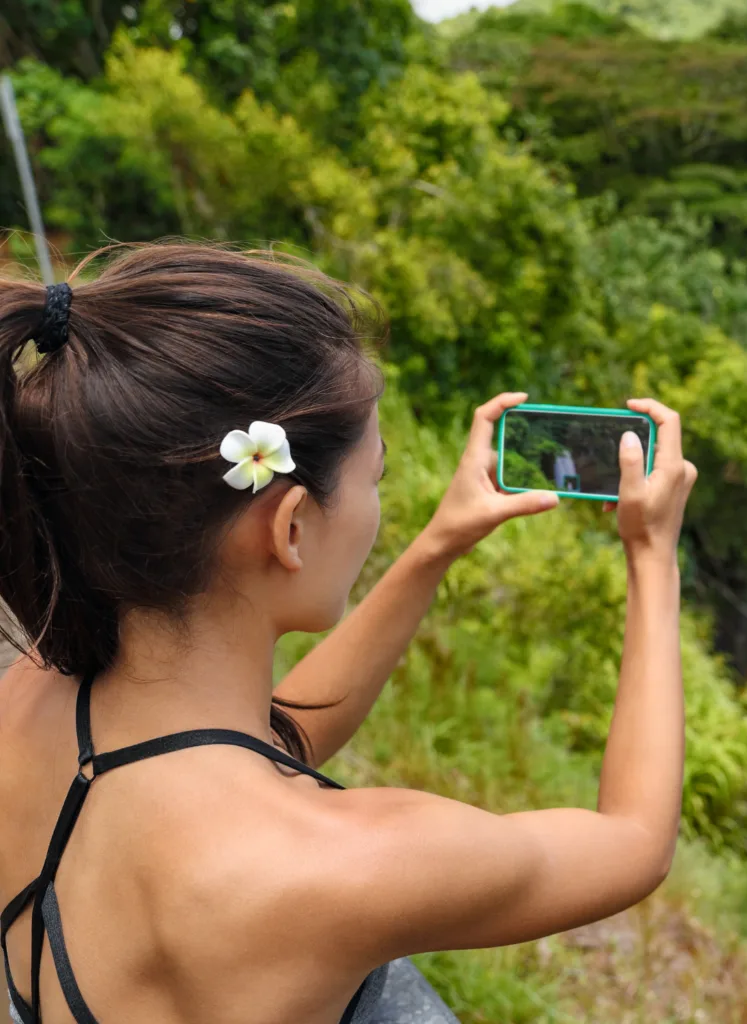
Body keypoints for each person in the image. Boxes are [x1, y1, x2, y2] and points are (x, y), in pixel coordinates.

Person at [0, 243, 697, 1024]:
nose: (377, 504)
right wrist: (651, 555)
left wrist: (437, 547)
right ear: (290, 529)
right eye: (378, 477)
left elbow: (252, 747)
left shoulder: (27, 701)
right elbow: (632, 842)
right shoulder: (343, 867)